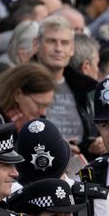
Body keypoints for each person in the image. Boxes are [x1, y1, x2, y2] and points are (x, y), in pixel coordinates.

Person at [35, 15, 98, 156]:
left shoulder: (86, 88)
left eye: (64, 43)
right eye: (51, 41)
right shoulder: (20, 85)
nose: (58, 49)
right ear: (36, 44)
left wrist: (96, 143)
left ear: (72, 49)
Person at [0, 62, 56, 130]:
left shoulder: (39, 123)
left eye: (47, 106)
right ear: (17, 94)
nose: (43, 112)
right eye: (39, 105)